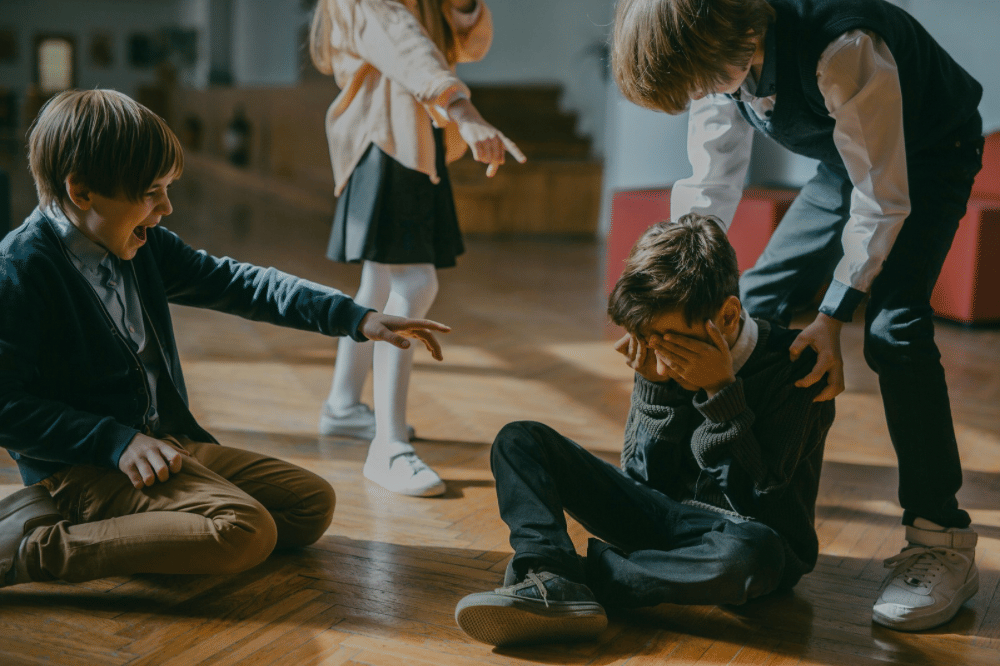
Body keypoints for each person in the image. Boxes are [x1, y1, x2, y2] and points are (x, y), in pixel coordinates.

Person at [610, 0, 984, 632]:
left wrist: (833, 317)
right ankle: (731, 500)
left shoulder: (843, 48)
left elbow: (883, 199)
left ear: (724, 39)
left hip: (931, 150)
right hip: (850, 158)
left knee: (893, 333)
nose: (701, 95)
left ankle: (940, 538)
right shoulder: (714, 61)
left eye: (700, 82)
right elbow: (712, 178)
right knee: (752, 304)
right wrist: (674, 285)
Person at [0, 89, 451, 589]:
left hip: (165, 448)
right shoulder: (20, 269)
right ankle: (29, 548)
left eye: (168, 189)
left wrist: (355, 317)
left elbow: (238, 283)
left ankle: (158, 524)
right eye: (151, 193)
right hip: (80, 472)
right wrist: (115, 440)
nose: (166, 207)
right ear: (82, 192)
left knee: (308, 505)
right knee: (245, 529)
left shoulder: (140, 243)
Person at [454, 214, 835, 647]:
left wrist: (721, 392)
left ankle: (572, 580)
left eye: (671, 340)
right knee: (519, 440)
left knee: (752, 554)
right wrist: (657, 390)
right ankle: (546, 569)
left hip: (743, 536)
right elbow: (643, 482)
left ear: (728, 316)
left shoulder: (799, 368)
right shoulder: (657, 349)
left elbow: (755, 500)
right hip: (663, 519)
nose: (659, 356)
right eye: (644, 337)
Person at [309, 0, 525, 497]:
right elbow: (402, 41)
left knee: (380, 281)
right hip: (389, 138)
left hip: (415, 135)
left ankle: (343, 406)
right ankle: (387, 447)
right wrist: (463, 111)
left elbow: (467, 45)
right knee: (416, 282)